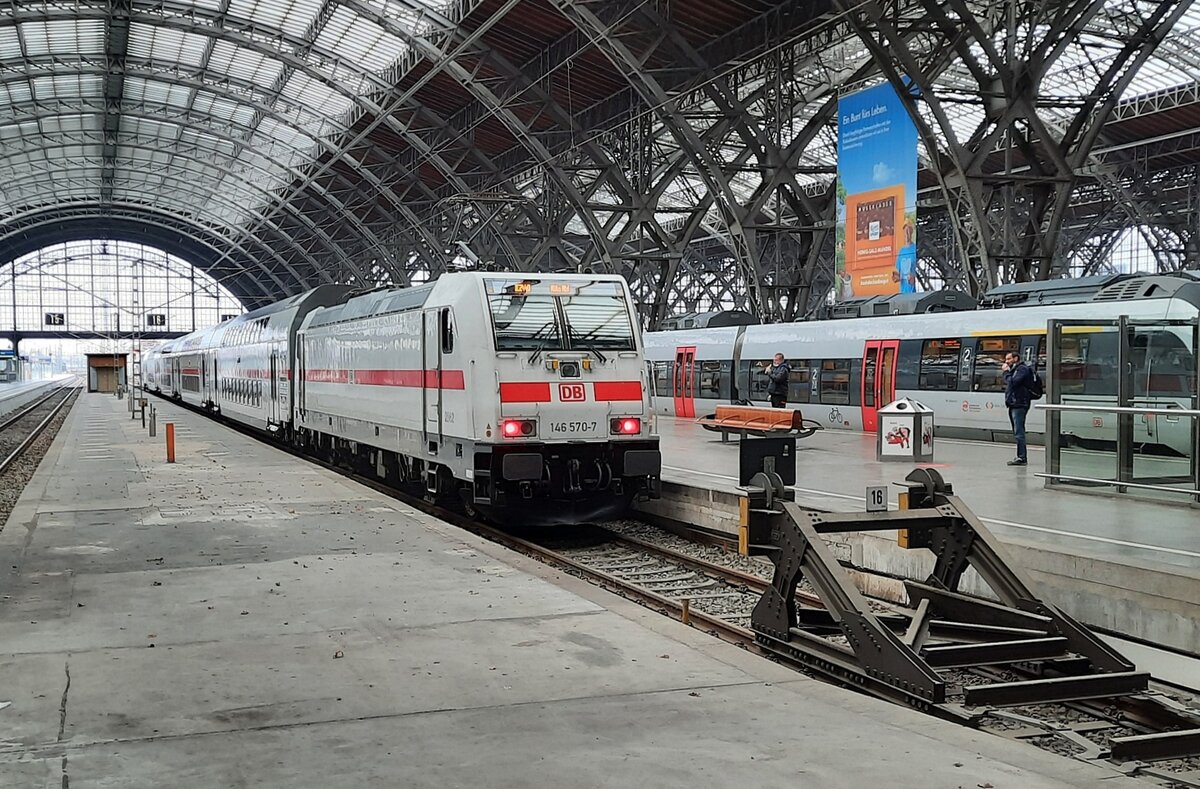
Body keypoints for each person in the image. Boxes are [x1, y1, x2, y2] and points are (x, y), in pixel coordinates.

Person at [1002, 351, 1032, 466]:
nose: (1006, 361)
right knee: (1017, 431)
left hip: (1019, 404)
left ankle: (1022, 457)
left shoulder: (1022, 369)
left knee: (1019, 431)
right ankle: (1020, 456)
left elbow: (1013, 382)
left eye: (1009, 359)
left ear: (1016, 358)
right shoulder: (1016, 370)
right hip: (1014, 404)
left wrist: (1005, 372)